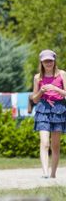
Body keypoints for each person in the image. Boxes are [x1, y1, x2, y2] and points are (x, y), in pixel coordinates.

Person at [31, 49, 66, 178]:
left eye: (50, 60)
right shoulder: (37, 77)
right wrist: (41, 91)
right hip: (43, 109)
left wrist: (55, 88)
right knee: (44, 142)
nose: (48, 63)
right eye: (46, 61)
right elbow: (34, 99)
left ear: (54, 60)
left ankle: (52, 174)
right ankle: (45, 173)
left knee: (55, 145)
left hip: (59, 109)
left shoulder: (62, 74)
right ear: (41, 62)